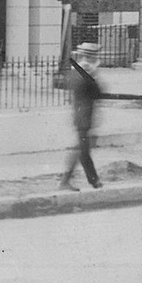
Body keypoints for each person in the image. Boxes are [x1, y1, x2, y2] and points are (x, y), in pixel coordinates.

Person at [60, 42, 104, 191]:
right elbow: (97, 93)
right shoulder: (85, 72)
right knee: (82, 150)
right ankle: (67, 181)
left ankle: (94, 181)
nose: (95, 58)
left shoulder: (77, 70)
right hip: (83, 116)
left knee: (83, 150)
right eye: (93, 55)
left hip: (81, 115)